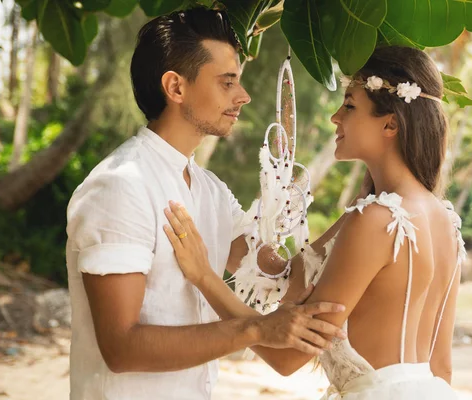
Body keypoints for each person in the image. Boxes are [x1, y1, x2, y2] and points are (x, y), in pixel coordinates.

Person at [65, 7, 346, 400]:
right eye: (227, 82)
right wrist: (256, 329)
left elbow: (279, 277)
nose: (243, 97)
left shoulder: (210, 190)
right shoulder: (120, 186)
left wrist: (366, 212)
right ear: (176, 88)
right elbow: (121, 347)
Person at [164, 45, 466, 399]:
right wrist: (225, 228)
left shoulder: (375, 220)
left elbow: (289, 356)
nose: (335, 117)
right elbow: (441, 367)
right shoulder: (444, 219)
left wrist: (203, 277)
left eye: (350, 105)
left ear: (391, 123)